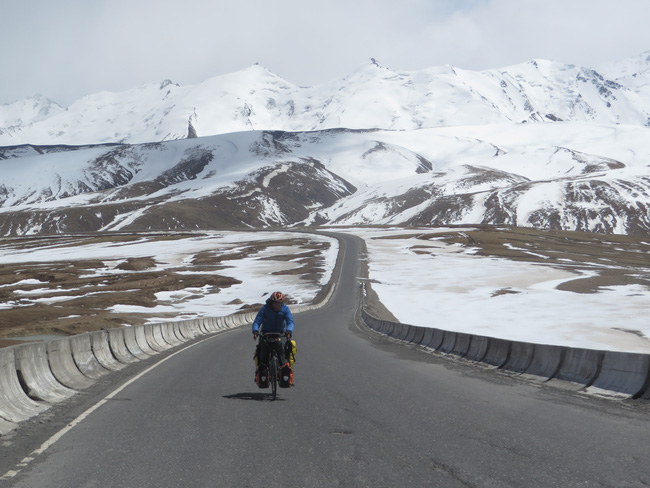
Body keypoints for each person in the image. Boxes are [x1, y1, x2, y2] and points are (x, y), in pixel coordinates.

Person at [252, 291, 295, 388]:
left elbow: (290, 321)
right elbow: (257, 321)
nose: (277, 305)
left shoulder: (285, 309)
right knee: (262, 354)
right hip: (266, 334)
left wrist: (289, 330)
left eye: (279, 303)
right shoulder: (265, 309)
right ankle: (263, 373)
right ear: (271, 302)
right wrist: (255, 331)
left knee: (285, 352)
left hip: (280, 334)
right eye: (275, 302)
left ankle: (285, 372)